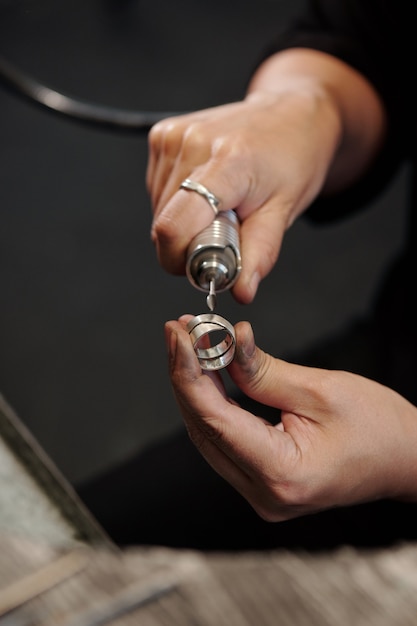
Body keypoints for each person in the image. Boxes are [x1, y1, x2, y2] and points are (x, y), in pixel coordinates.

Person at [79, 0, 417, 550]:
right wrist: (307, 105)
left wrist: (408, 455)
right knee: (76, 548)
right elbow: (371, 43)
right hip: (390, 366)